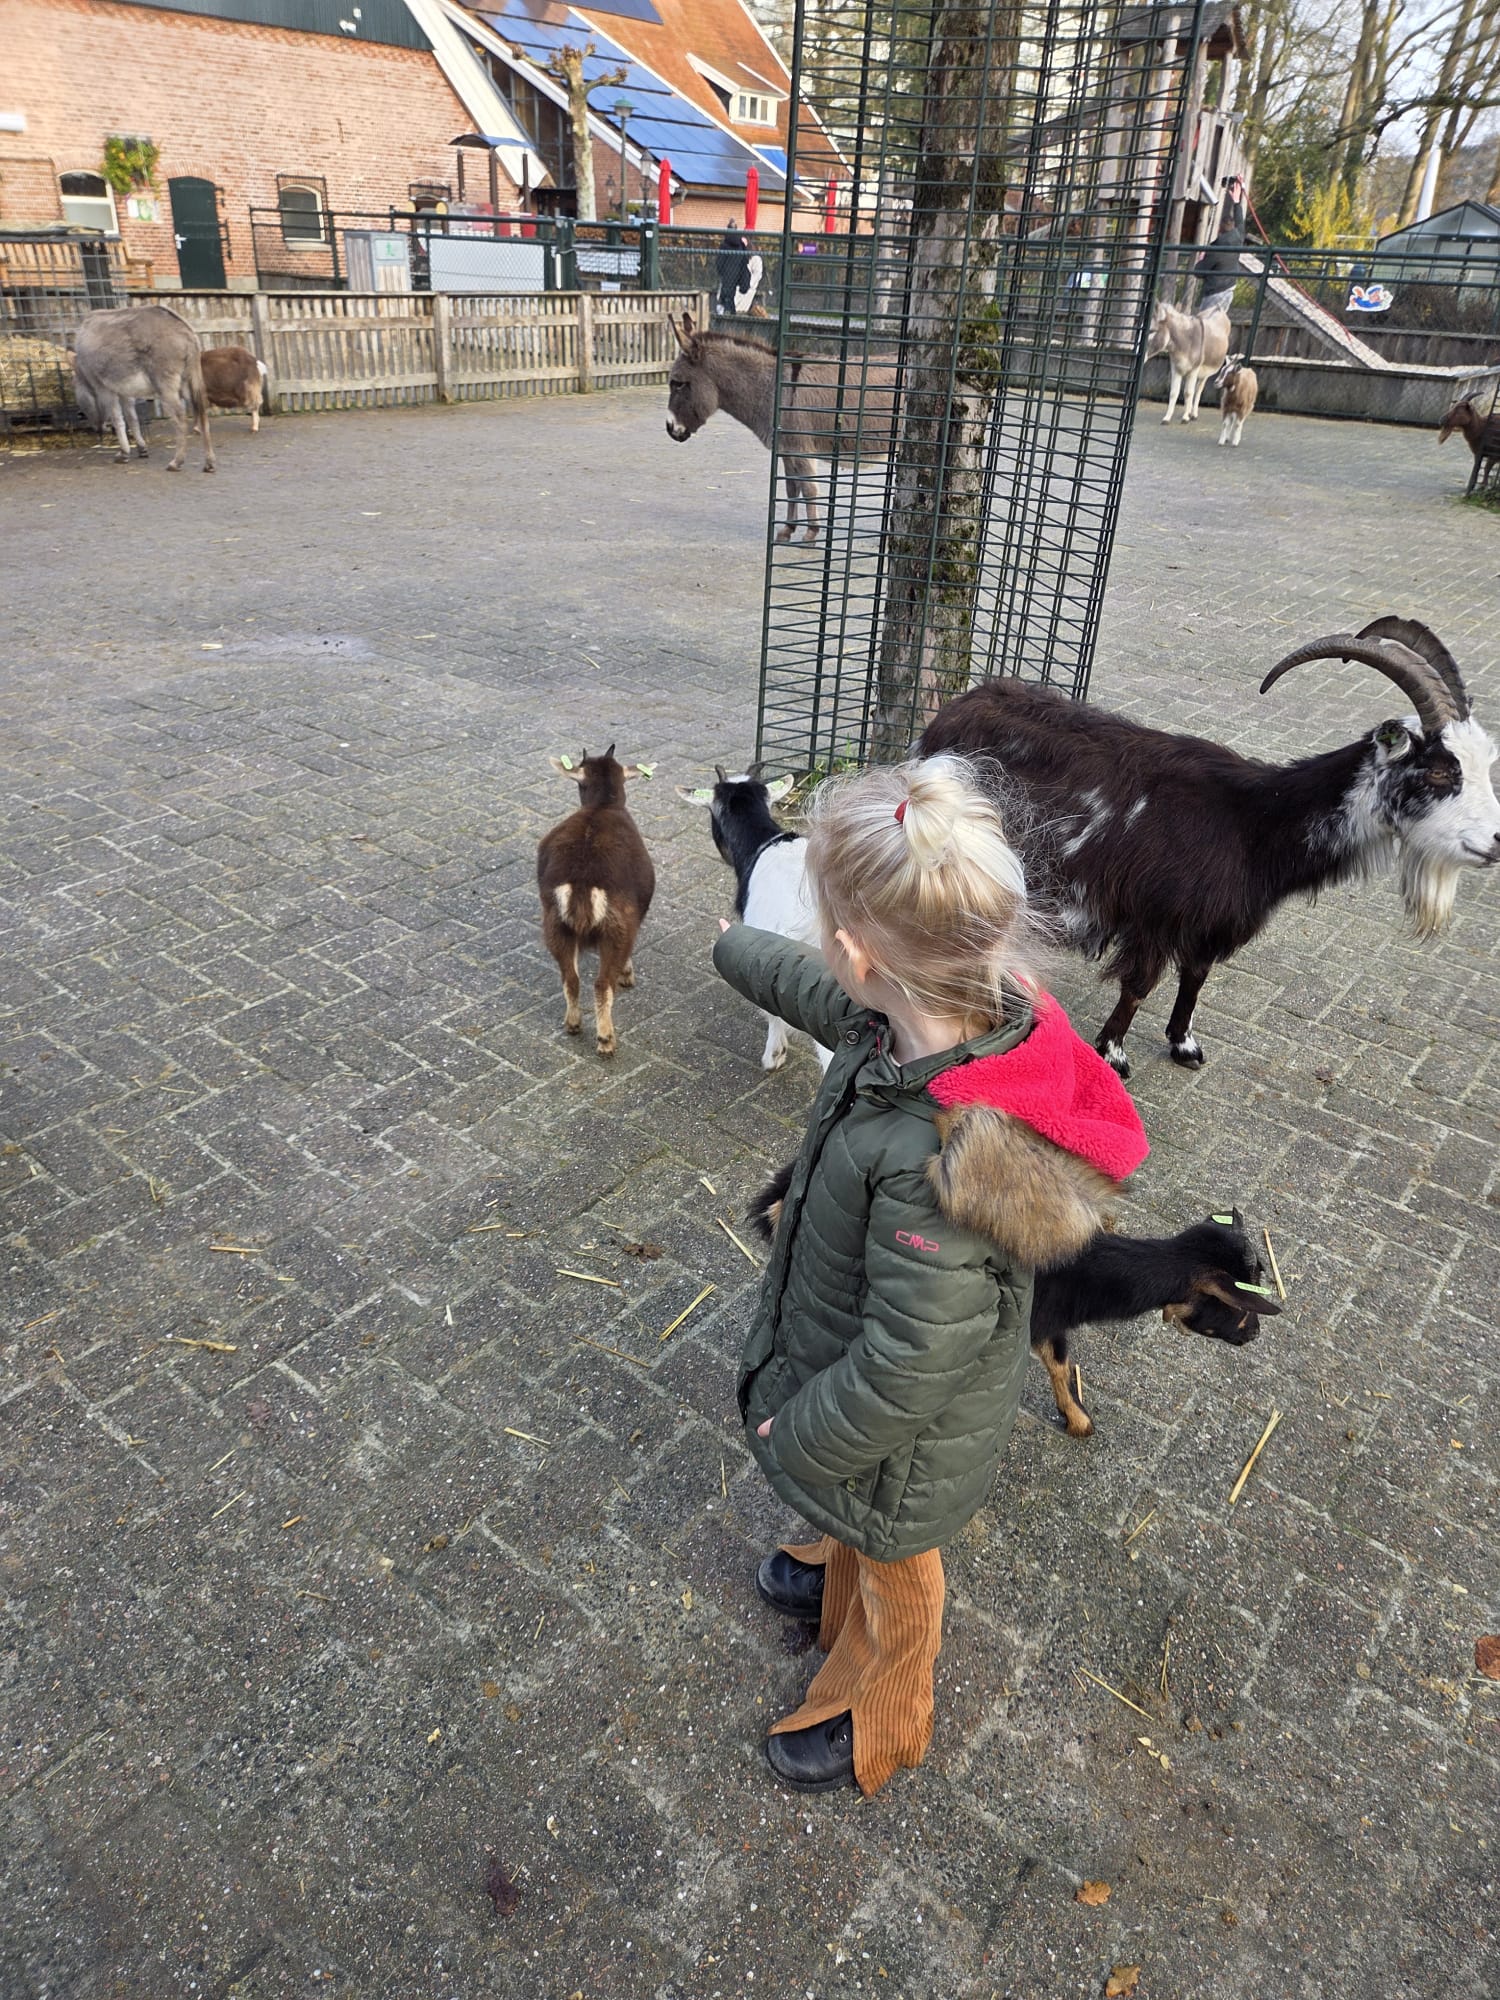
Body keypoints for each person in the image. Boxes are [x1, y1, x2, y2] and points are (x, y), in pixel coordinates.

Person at [712, 755, 1149, 1797]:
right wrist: (737, 950)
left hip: (902, 1450)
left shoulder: (939, 1170)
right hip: (858, 1395)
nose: (825, 952)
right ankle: (829, 1575)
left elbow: (906, 1367)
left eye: (825, 928)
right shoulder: (934, 1013)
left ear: (864, 951)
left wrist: (798, 1430)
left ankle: (885, 1718)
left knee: (901, 1573)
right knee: (850, 1513)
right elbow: (821, 993)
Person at [1192, 175, 1247, 317]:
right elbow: (1240, 221)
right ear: (1232, 227)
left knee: (1204, 324)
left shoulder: (1216, 248)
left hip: (1214, 293)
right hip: (1229, 291)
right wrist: (1236, 201)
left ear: (1219, 230)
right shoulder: (1238, 237)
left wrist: (1201, 259)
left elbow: (1199, 272)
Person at [714, 217, 750, 316]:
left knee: (725, 295)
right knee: (731, 295)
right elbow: (745, 260)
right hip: (737, 273)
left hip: (727, 274)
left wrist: (721, 272)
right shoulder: (741, 244)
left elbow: (720, 262)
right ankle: (731, 315)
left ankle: (725, 315)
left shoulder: (724, 245)